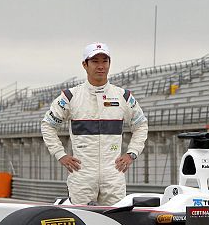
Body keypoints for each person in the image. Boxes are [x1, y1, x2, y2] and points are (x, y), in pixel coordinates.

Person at [41, 42, 148, 205]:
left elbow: (141, 126)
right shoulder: (70, 96)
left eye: (104, 61)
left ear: (109, 64)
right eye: (95, 61)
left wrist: (131, 153)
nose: (100, 66)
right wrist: (60, 155)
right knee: (81, 224)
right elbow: (48, 125)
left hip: (113, 175)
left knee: (116, 223)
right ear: (85, 64)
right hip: (82, 175)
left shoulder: (123, 96)